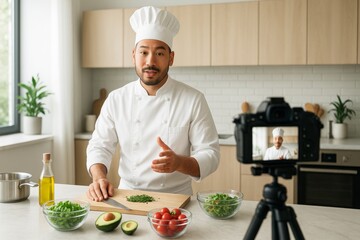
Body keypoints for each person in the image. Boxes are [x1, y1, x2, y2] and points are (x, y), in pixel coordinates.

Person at [86, 6, 220, 202]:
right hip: (127, 195)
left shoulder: (193, 99)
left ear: (171, 58)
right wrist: (99, 178)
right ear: (134, 55)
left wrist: (180, 163)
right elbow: (99, 146)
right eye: (144, 52)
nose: (150, 61)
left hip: (176, 199)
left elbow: (210, 153)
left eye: (159, 53)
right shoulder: (117, 99)